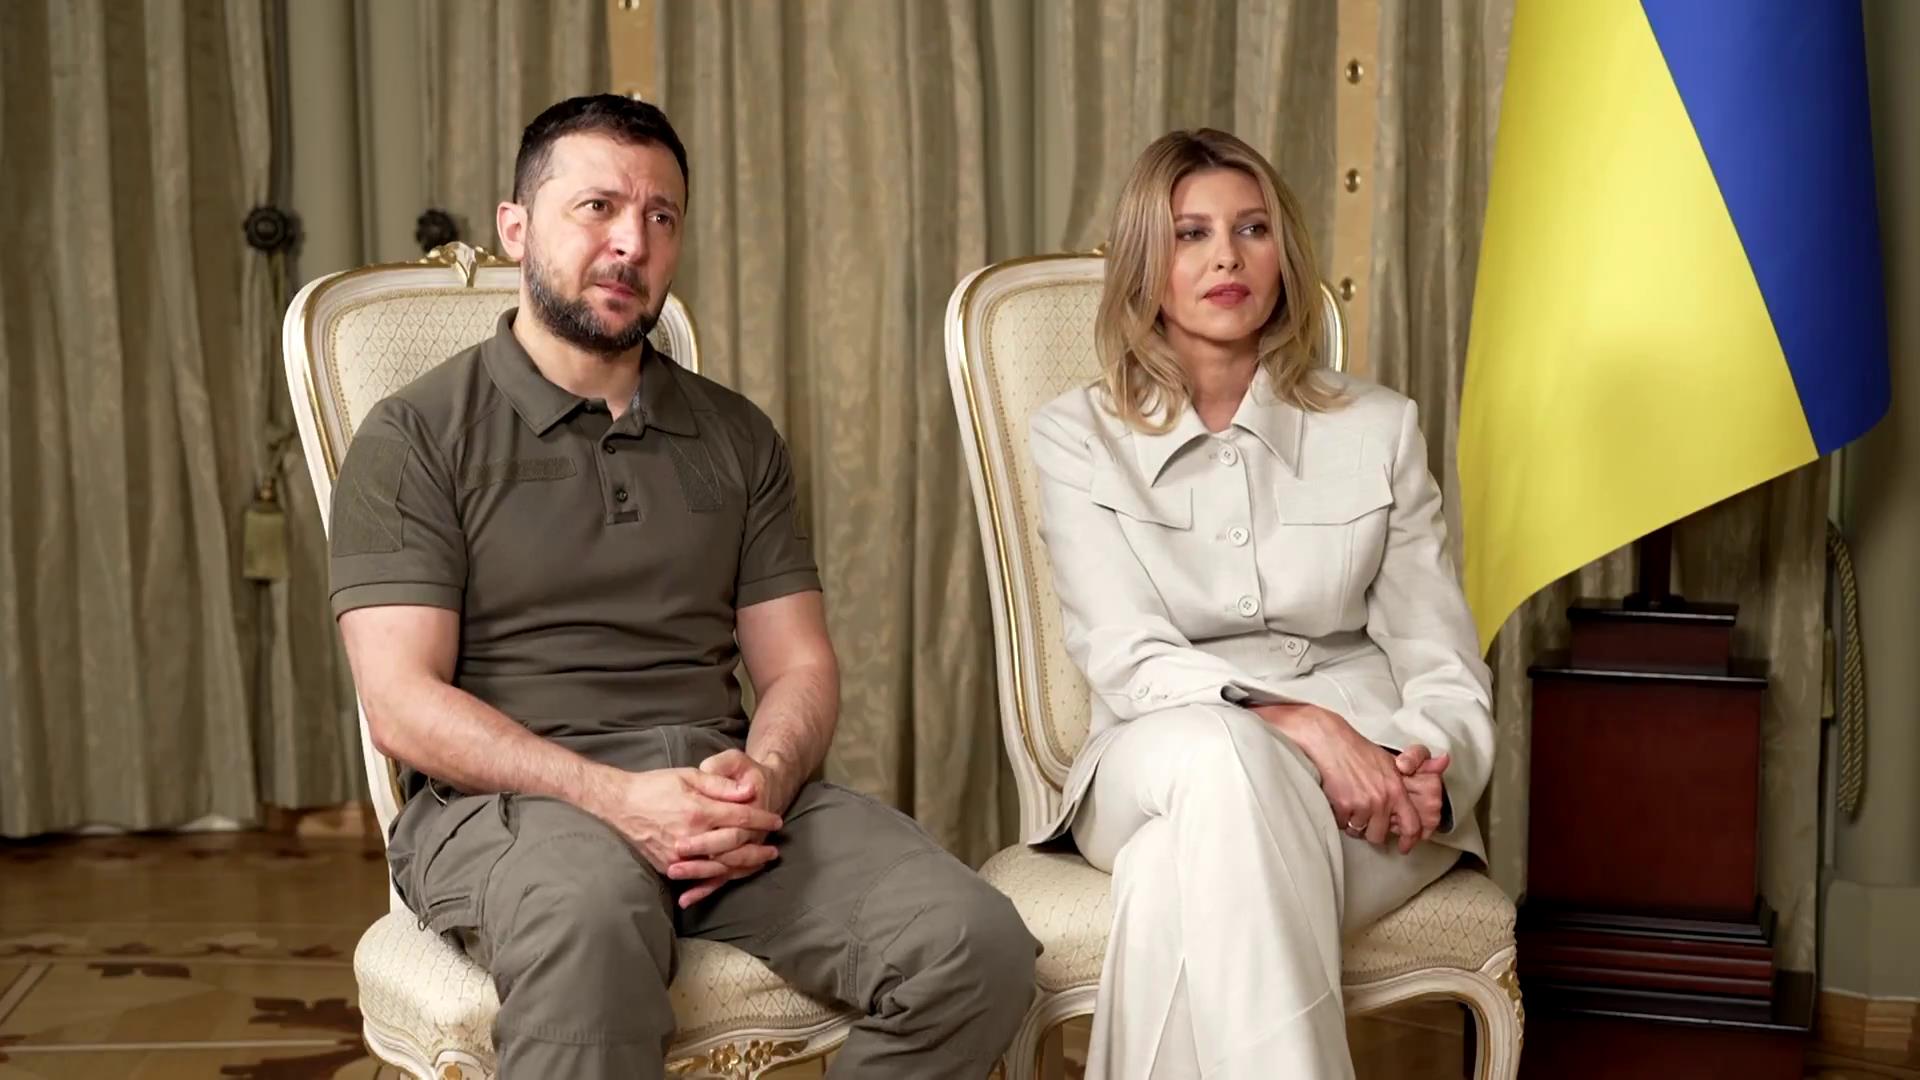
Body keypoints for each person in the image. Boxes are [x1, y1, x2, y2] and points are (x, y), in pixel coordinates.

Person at [330, 94, 1037, 1080]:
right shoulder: (416, 436)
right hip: (514, 807)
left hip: (721, 792)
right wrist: (616, 798)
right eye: (598, 208)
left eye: (661, 217)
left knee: (972, 944)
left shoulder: (736, 435)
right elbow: (401, 705)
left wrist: (764, 780)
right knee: (591, 927)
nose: (633, 243)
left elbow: (799, 667)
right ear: (516, 227)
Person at [1027, 128, 1495, 1079]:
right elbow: (1125, 652)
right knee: (1222, 754)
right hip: (1158, 753)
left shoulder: (1379, 427)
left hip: (1370, 788)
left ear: (1285, 253)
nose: (1227, 258)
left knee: (1170, 883)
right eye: (1190, 233)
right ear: (1144, 261)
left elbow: (1440, 654)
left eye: (1252, 228)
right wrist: (1305, 726)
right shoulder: (1075, 436)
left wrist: (1428, 769)